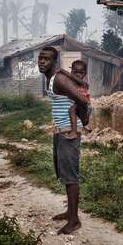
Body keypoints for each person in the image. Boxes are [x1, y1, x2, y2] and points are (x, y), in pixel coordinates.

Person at [38, 46, 89, 234]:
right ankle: (70, 212)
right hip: (61, 131)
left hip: (69, 132)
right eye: (40, 58)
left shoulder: (59, 79)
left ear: (55, 62)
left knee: (71, 175)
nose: (42, 62)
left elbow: (82, 101)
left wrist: (83, 122)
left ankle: (74, 220)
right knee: (65, 174)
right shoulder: (50, 79)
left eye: (47, 59)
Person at [58, 60, 91, 140]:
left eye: (81, 73)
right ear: (72, 72)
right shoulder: (70, 84)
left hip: (84, 107)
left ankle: (74, 132)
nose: (78, 75)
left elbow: (74, 79)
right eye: (75, 72)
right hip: (76, 107)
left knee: (72, 109)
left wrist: (62, 70)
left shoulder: (84, 84)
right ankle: (82, 125)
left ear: (85, 74)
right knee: (71, 108)